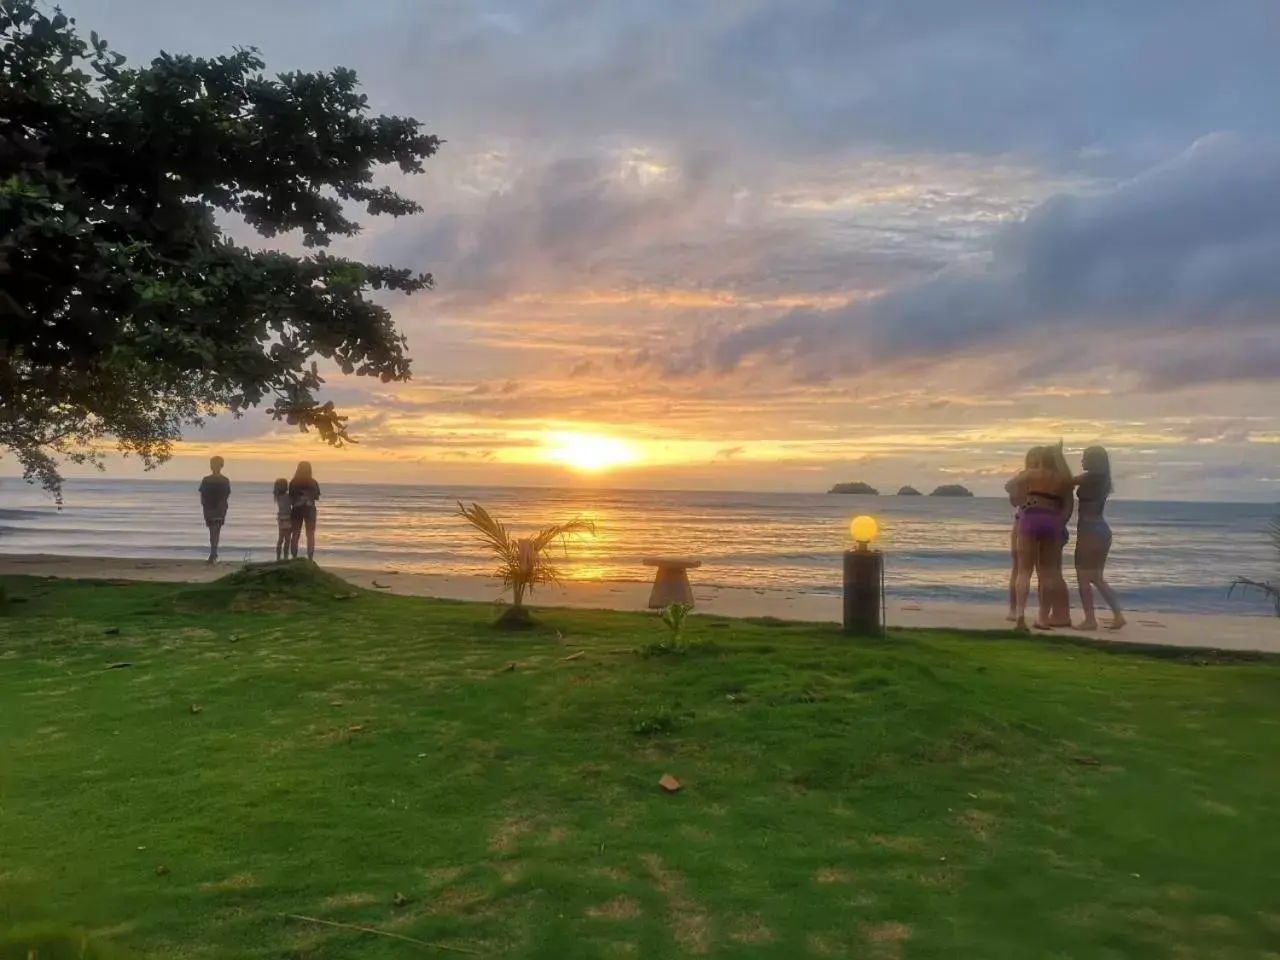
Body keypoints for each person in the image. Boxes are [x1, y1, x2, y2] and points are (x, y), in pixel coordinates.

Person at [1005, 446, 1074, 632]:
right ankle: (1043, 619)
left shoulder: (1031, 474)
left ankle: (1020, 615)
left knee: (1024, 570)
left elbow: (1009, 486)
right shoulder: (1062, 479)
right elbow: (1069, 502)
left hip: (1030, 518)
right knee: (1049, 572)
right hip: (1052, 520)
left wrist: (1023, 498)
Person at [1074, 446, 1125, 630]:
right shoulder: (1102, 479)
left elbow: (1065, 481)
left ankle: (1090, 620)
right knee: (1096, 577)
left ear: (1093, 460)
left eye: (1084, 458)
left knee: (1082, 576)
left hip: (1089, 530)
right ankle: (1118, 615)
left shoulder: (1092, 477)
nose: (1081, 461)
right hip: (1101, 530)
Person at [1045, 441, 1075, 627]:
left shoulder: (1061, 484)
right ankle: (1053, 612)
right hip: (1054, 529)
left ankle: (1061, 615)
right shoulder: (1053, 483)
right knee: (1050, 573)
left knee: (1053, 573)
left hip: (1054, 531)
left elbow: (1067, 510)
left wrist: (1058, 454)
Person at [198, 456, 231, 564]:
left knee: (213, 531)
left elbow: (202, 495)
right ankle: (214, 553)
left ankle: (213, 553)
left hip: (214, 508)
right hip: (215, 508)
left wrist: (205, 505)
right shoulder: (223, 480)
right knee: (215, 531)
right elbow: (226, 495)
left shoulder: (207, 480)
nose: (213, 466)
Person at [288, 461, 321, 560]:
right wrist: (308, 496)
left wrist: (299, 498)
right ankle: (310, 558)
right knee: (310, 535)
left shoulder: (293, 482)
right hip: (310, 510)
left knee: (295, 534)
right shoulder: (313, 482)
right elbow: (317, 497)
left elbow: (291, 498)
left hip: (296, 510)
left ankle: (294, 557)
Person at [272, 478, 292, 562]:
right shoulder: (287, 496)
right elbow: (293, 502)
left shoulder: (277, 496)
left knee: (280, 539)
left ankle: (278, 557)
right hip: (288, 518)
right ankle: (285, 557)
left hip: (281, 519)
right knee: (287, 540)